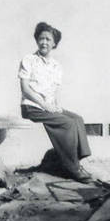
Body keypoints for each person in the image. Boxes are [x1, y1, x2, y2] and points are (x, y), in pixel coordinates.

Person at [18, 22, 92, 183]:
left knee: (77, 119)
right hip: (32, 106)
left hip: (48, 106)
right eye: (41, 38)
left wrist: (56, 106)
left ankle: (73, 160)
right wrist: (45, 105)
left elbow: (54, 91)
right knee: (67, 124)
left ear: (54, 44)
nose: (44, 42)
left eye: (48, 39)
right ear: (37, 40)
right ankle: (73, 168)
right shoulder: (29, 59)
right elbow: (25, 89)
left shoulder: (56, 65)